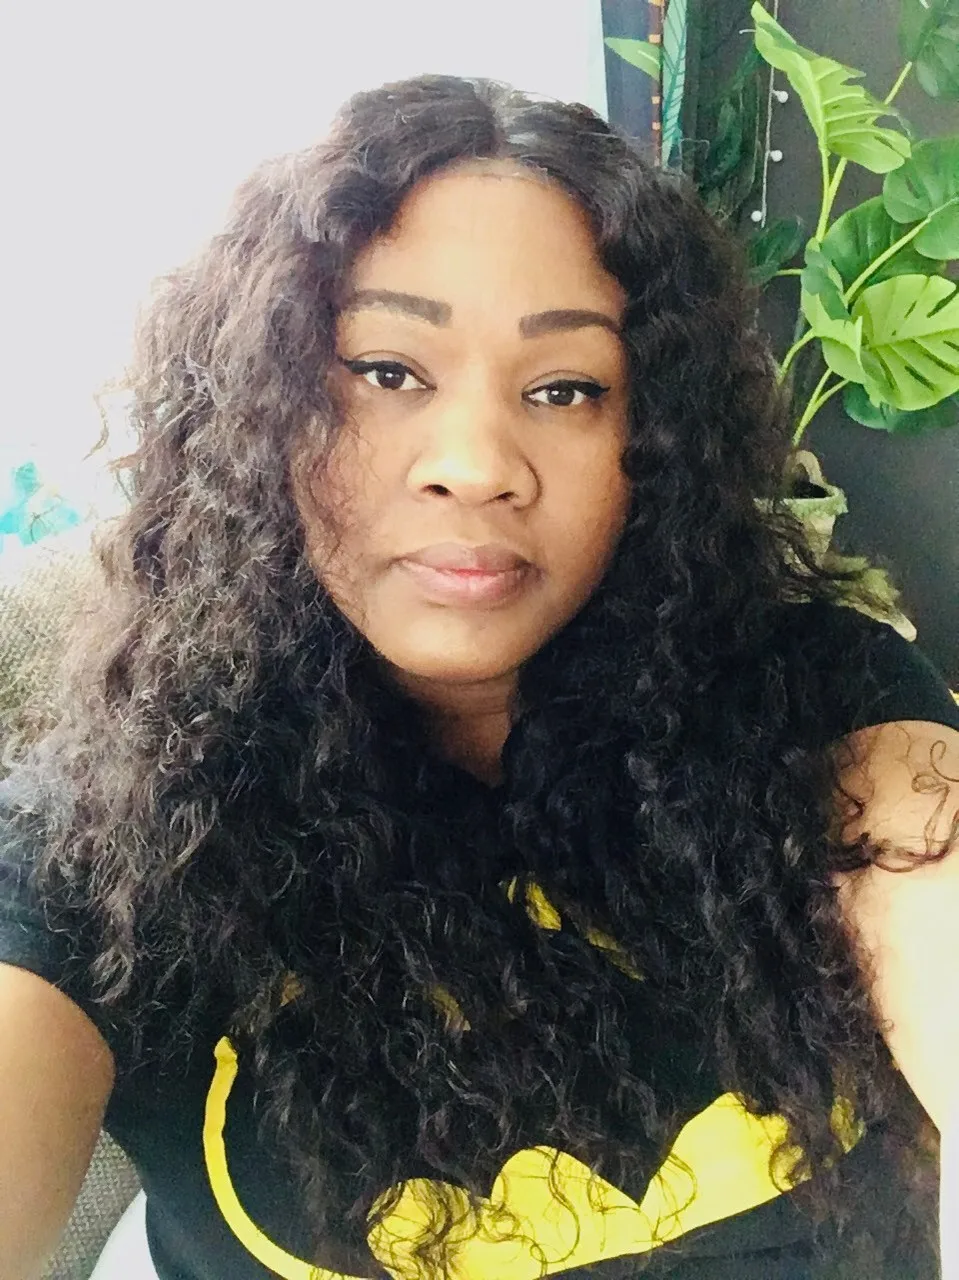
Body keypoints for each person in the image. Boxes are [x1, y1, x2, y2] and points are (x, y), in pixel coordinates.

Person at [1, 73, 957, 1280]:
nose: (474, 462)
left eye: (564, 388)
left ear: (651, 440)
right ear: (264, 406)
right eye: (386, 370)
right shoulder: (111, 832)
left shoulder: (820, 703)